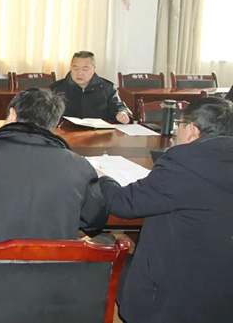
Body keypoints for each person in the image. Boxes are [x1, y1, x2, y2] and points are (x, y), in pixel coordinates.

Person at [0, 88, 107, 323]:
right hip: (50, 300)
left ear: (12, 115)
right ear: (54, 125)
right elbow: (95, 220)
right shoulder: (79, 167)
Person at [98, 97, 233, 323]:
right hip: (223, 294)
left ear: (192, 130)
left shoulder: (183, 165)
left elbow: (124, 203)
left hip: (173, 300)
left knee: (104, 259)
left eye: (179, 124)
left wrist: (104, 179)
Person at [50, 50, 132, 124]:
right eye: (76, 68)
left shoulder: (108, 88)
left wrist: (123, 114)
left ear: (93, 69)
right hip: (66, 133)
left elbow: (119, 107)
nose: (79, 73)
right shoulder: (56, 89)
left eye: (85, 69)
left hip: (100, 134)